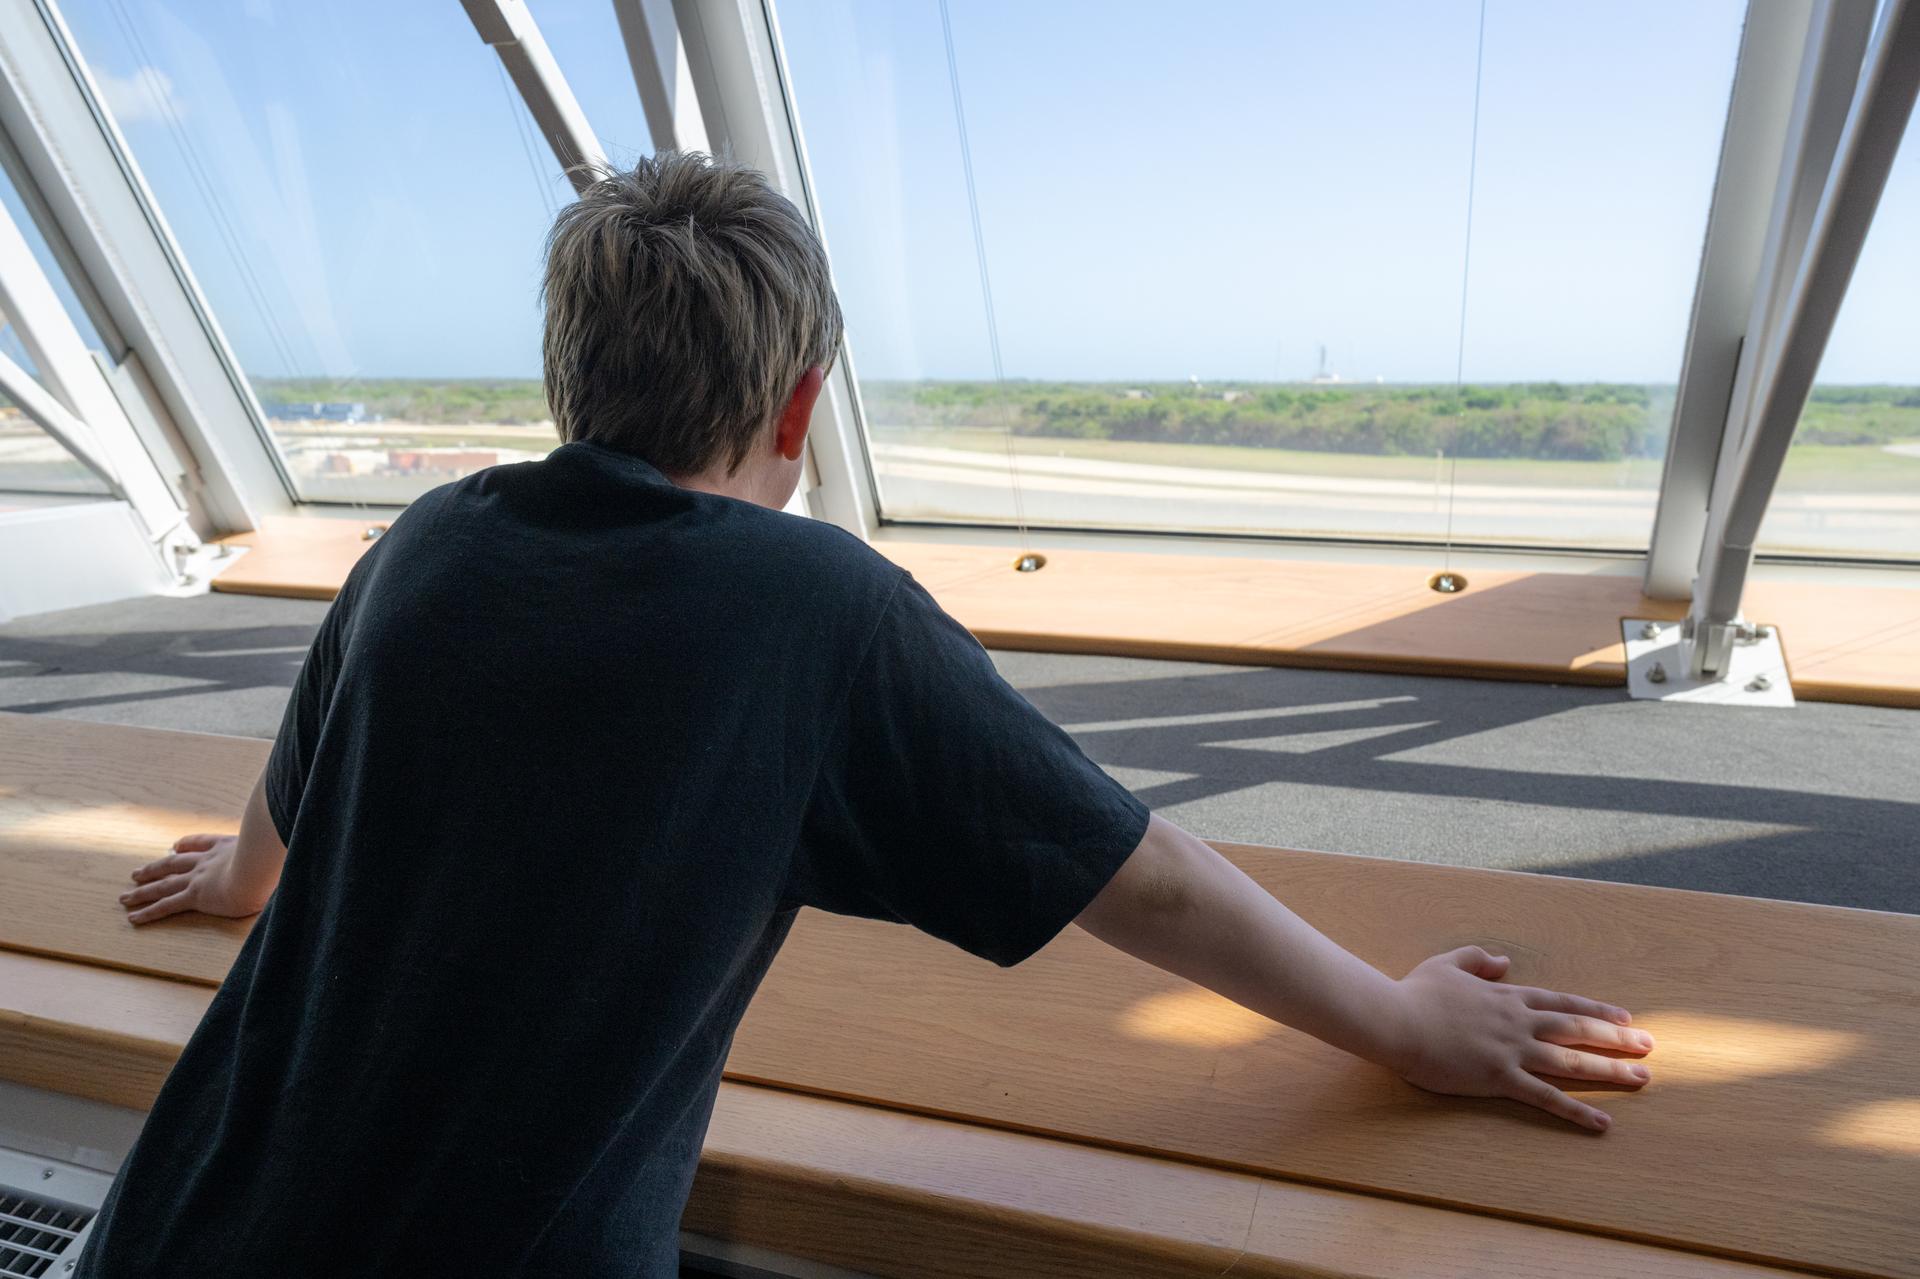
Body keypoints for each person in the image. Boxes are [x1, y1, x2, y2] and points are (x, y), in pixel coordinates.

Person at [82, 153, 1652, 1277]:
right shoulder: (818, 613)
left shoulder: (428, 541)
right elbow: (1141, 874)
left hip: (164, 1227)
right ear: (801, 408)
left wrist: (241, 879)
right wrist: (1400, 1020)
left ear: (568, 379)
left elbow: (303, 776)